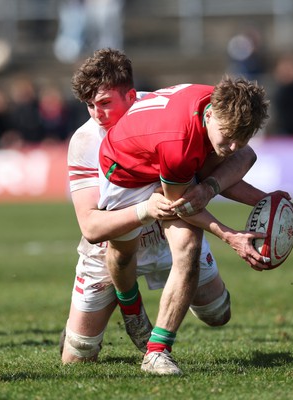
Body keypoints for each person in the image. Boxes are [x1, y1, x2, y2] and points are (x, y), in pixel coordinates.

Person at [62, 49, 275, 369]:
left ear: (131, 95)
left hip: (171, 213)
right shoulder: (85, 142)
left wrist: (259, 198)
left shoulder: (189, 112)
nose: (96, 114)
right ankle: (130, 306)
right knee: (77, 357)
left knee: (219, 314)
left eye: (104, 103)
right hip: (119, 235)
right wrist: (147, 210)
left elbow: (234, 158)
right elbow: (92, 227)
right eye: (90, 105)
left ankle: (156, 348)